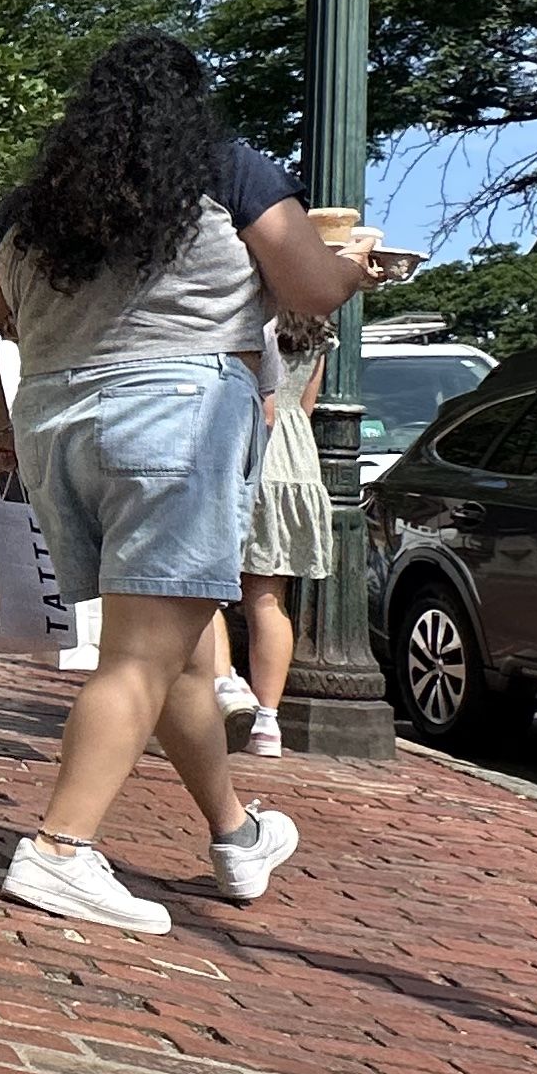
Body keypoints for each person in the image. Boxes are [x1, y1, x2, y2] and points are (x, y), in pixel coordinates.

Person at [0, 34, 381, 935]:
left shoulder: (29, 208)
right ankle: (60, 850)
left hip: (57, 426)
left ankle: (235, 834)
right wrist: (356, 265)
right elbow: (310, 290)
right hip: (178, 419)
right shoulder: (230, 172)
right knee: (142, 657)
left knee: (178, 649)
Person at [203, 313, 331, 755]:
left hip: (248, 450)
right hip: (296, 461)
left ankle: (225, 685)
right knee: (268, 597)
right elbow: (306, 406)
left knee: (204, 587)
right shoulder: (321, 332)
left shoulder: (252, 318)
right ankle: (269, 723)